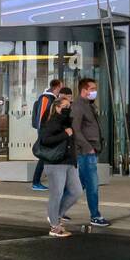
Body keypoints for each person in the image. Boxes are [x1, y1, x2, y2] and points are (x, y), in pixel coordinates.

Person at [37, 88, 82, 236]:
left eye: (69, 106)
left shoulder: (68, 121)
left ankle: (56, 216)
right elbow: (45, 140)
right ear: (57, 107)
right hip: (55, 163)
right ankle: (54, 226)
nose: (68, 108)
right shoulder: (52, 121)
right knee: (56, 194)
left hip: (70, 162)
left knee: (76, 192)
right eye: (65, 106)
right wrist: (64, 134)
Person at [72, 77, 110, 228]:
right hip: (86, 152)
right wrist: (88, 147)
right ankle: (95, 215)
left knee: (79, 185)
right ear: (84, 90)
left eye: (95, 89)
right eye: (92, 89)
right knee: (92, 185)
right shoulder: (78, 106)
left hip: (90, 150)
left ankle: (57, 210)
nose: (95, 92)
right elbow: (76, 130)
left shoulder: (89, 105)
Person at [29, 78, 62, 191]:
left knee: (48, 156)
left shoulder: (52, 98)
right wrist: (44, 133)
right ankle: (36, 182)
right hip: (46, 133)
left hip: (50, 132)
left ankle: (40, 182)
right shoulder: (46, 98)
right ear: (57, 87)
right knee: (45, 157)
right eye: (61, 87)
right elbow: (41, 119)